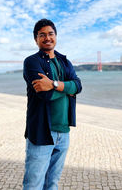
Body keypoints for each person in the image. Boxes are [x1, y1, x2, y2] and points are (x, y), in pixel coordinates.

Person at [23, 18, 82, 190]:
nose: (47, 38)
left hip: (64, 132)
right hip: (42, 131)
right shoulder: (32, 61)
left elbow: (78, 86)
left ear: (56, 36)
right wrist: (67, 89)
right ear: (36, 39)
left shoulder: (65, 61)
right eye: (42, 35)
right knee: (33, 184)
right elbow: (45, 94)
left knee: (52, 184)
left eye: (50, 34)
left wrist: (55, 84)